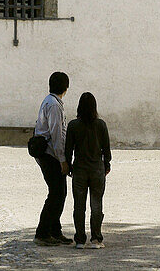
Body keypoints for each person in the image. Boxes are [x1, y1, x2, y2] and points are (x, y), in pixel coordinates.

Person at [65, 91, 112, 249]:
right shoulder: (101, 125)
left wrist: (69, 166)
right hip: (96, 168)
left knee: (79, 205)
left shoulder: (73, 125)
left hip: (79, 168)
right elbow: (106, 149)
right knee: (96, 204)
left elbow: (68, 149)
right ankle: (96, 239)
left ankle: (79, 239)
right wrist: (107, 165)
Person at [32, 70, 72, 247]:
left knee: (59, 193)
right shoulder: (54, 105)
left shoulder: (50, 101)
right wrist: (63, 160)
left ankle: (54, 231)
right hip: (50, 154)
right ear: (66, 87)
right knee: (57, 193)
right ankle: (42, 232)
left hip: (47, 153)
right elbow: (57, 134)